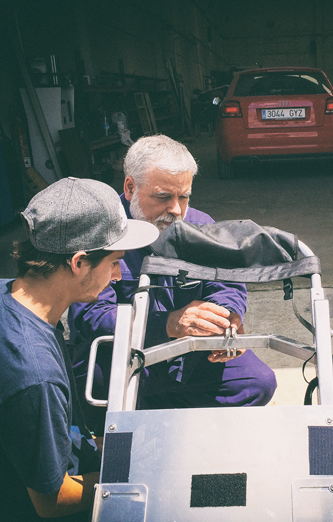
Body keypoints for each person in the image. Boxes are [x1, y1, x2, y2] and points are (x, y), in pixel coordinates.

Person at [0, 177, 160, 522]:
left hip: (21, 474)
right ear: (79, 262)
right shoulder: (31, 373)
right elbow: (50, 501)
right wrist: (132, 475)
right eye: (114, 262)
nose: (117, 275)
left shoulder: (0, 294)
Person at [67, 135, 276, 427]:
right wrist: (167, 324)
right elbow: (91, 317)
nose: (176, 209)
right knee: (98, 382)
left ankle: (181, 436)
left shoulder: (201, 226)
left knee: (257, 382)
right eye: (163, 197)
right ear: (130, 188)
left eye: (184, 196)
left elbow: (227, 284)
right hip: (123, 356)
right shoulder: (99, 232)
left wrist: (224, 321)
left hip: (189, 357)